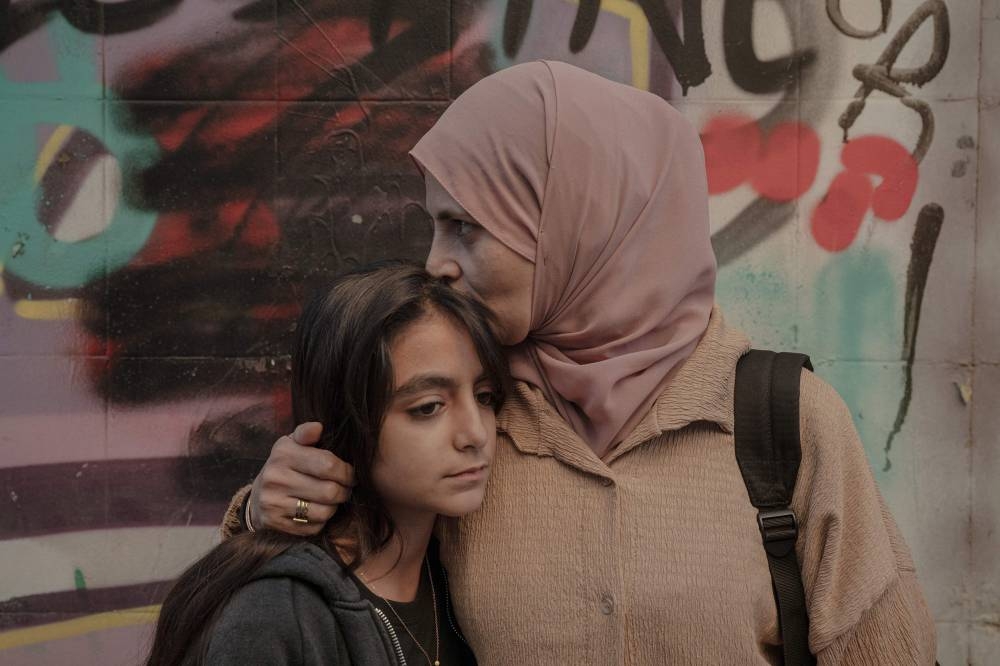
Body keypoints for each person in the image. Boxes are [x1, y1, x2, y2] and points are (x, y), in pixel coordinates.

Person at [221, 61, 936, 664]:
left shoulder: (786, 422)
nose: (437, 262)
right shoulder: (473, 416)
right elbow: (347, 579)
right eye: (435, 226)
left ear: (578, 222)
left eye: (464, 227)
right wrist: (267, 507)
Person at [148, 261, 508, 665]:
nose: (475, 434)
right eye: (428, 407)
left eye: (484, 397)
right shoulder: (279, 612)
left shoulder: (459, 584)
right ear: (346, 419)